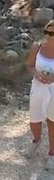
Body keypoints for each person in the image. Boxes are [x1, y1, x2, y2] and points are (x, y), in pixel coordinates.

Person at [25, 20, 54, 169]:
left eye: (52, 33)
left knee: (52, 122)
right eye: (47, 32)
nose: (49, 36)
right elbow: (29, 65)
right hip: (38, 87)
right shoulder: (37, 47)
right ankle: (36, 141)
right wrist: (36, 75)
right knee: (34, 119)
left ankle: (52, 154)